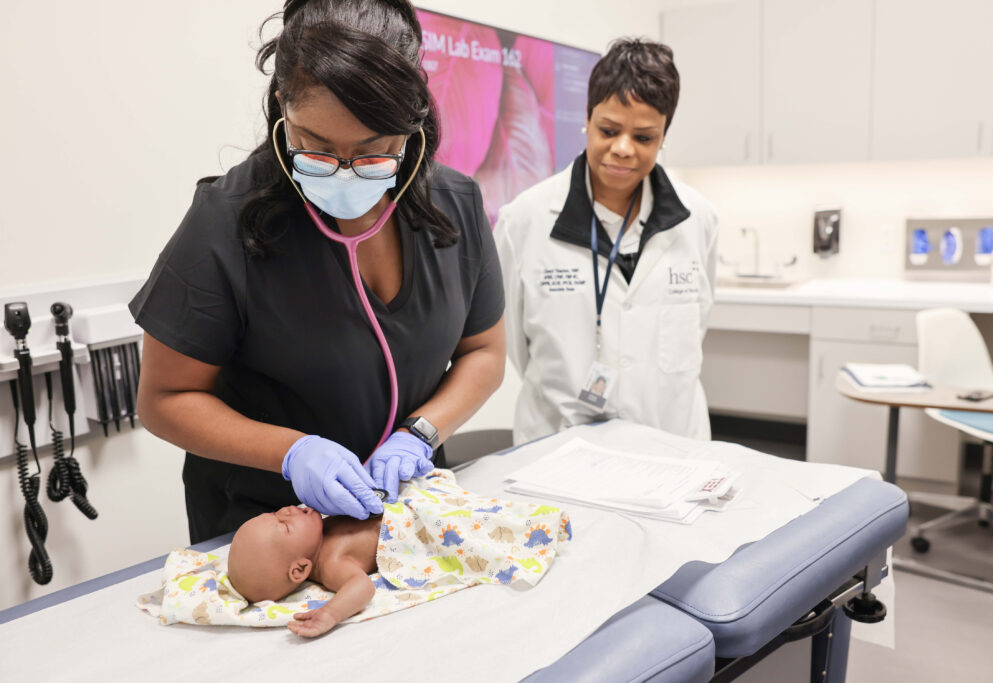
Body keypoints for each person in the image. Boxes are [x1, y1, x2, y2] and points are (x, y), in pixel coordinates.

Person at [131, 0, 505, 544]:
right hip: (268, 535)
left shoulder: (456, 203)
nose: (344, 173)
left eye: (375, 150)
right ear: (283, 105)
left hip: (402, 519)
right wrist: (291, 452)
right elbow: (164, 400)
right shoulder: (226, 221)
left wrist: (420, 435)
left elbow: (485, 353)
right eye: (317, 147)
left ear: (412, 121)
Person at [494, 38, 718, 445]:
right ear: (587, 118)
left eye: (645, 137)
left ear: (665, 134)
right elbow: (514, 347)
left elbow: (698, 322)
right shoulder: (523, 220)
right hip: (560, 447)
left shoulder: (697, 218)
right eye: (608, 130)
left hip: (673, 445)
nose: (622, 150)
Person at [227, 470, 572, 637]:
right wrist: (330, 613)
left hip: (410, 502)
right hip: (419, 527)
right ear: (300, 570)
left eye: (275, 513)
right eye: (284, 525)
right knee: (479, 528)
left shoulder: (320, 524)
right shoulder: (330, 564)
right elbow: (362, 588)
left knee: (466, 506)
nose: (287, 510)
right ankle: (540, 528)